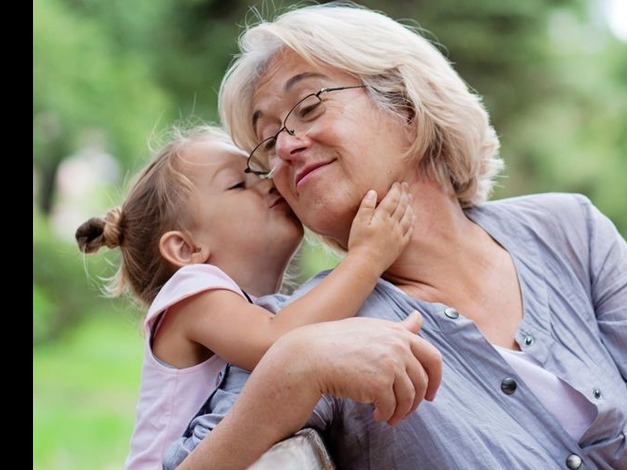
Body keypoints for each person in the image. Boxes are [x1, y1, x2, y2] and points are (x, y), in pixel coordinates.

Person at [164, 2, 627, 469]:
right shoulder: (303, 329)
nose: (285, 146)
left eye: (308, 105)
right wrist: (295, 365)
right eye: (267, 142)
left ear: (409, 107)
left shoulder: (569, 229)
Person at [75, 123, 414, 470]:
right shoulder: (190, 291)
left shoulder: (243, 305)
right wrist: (368, 256)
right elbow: (281, 345)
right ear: (186, 247)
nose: (268, 182)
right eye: (239, 183)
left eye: (259, 172)